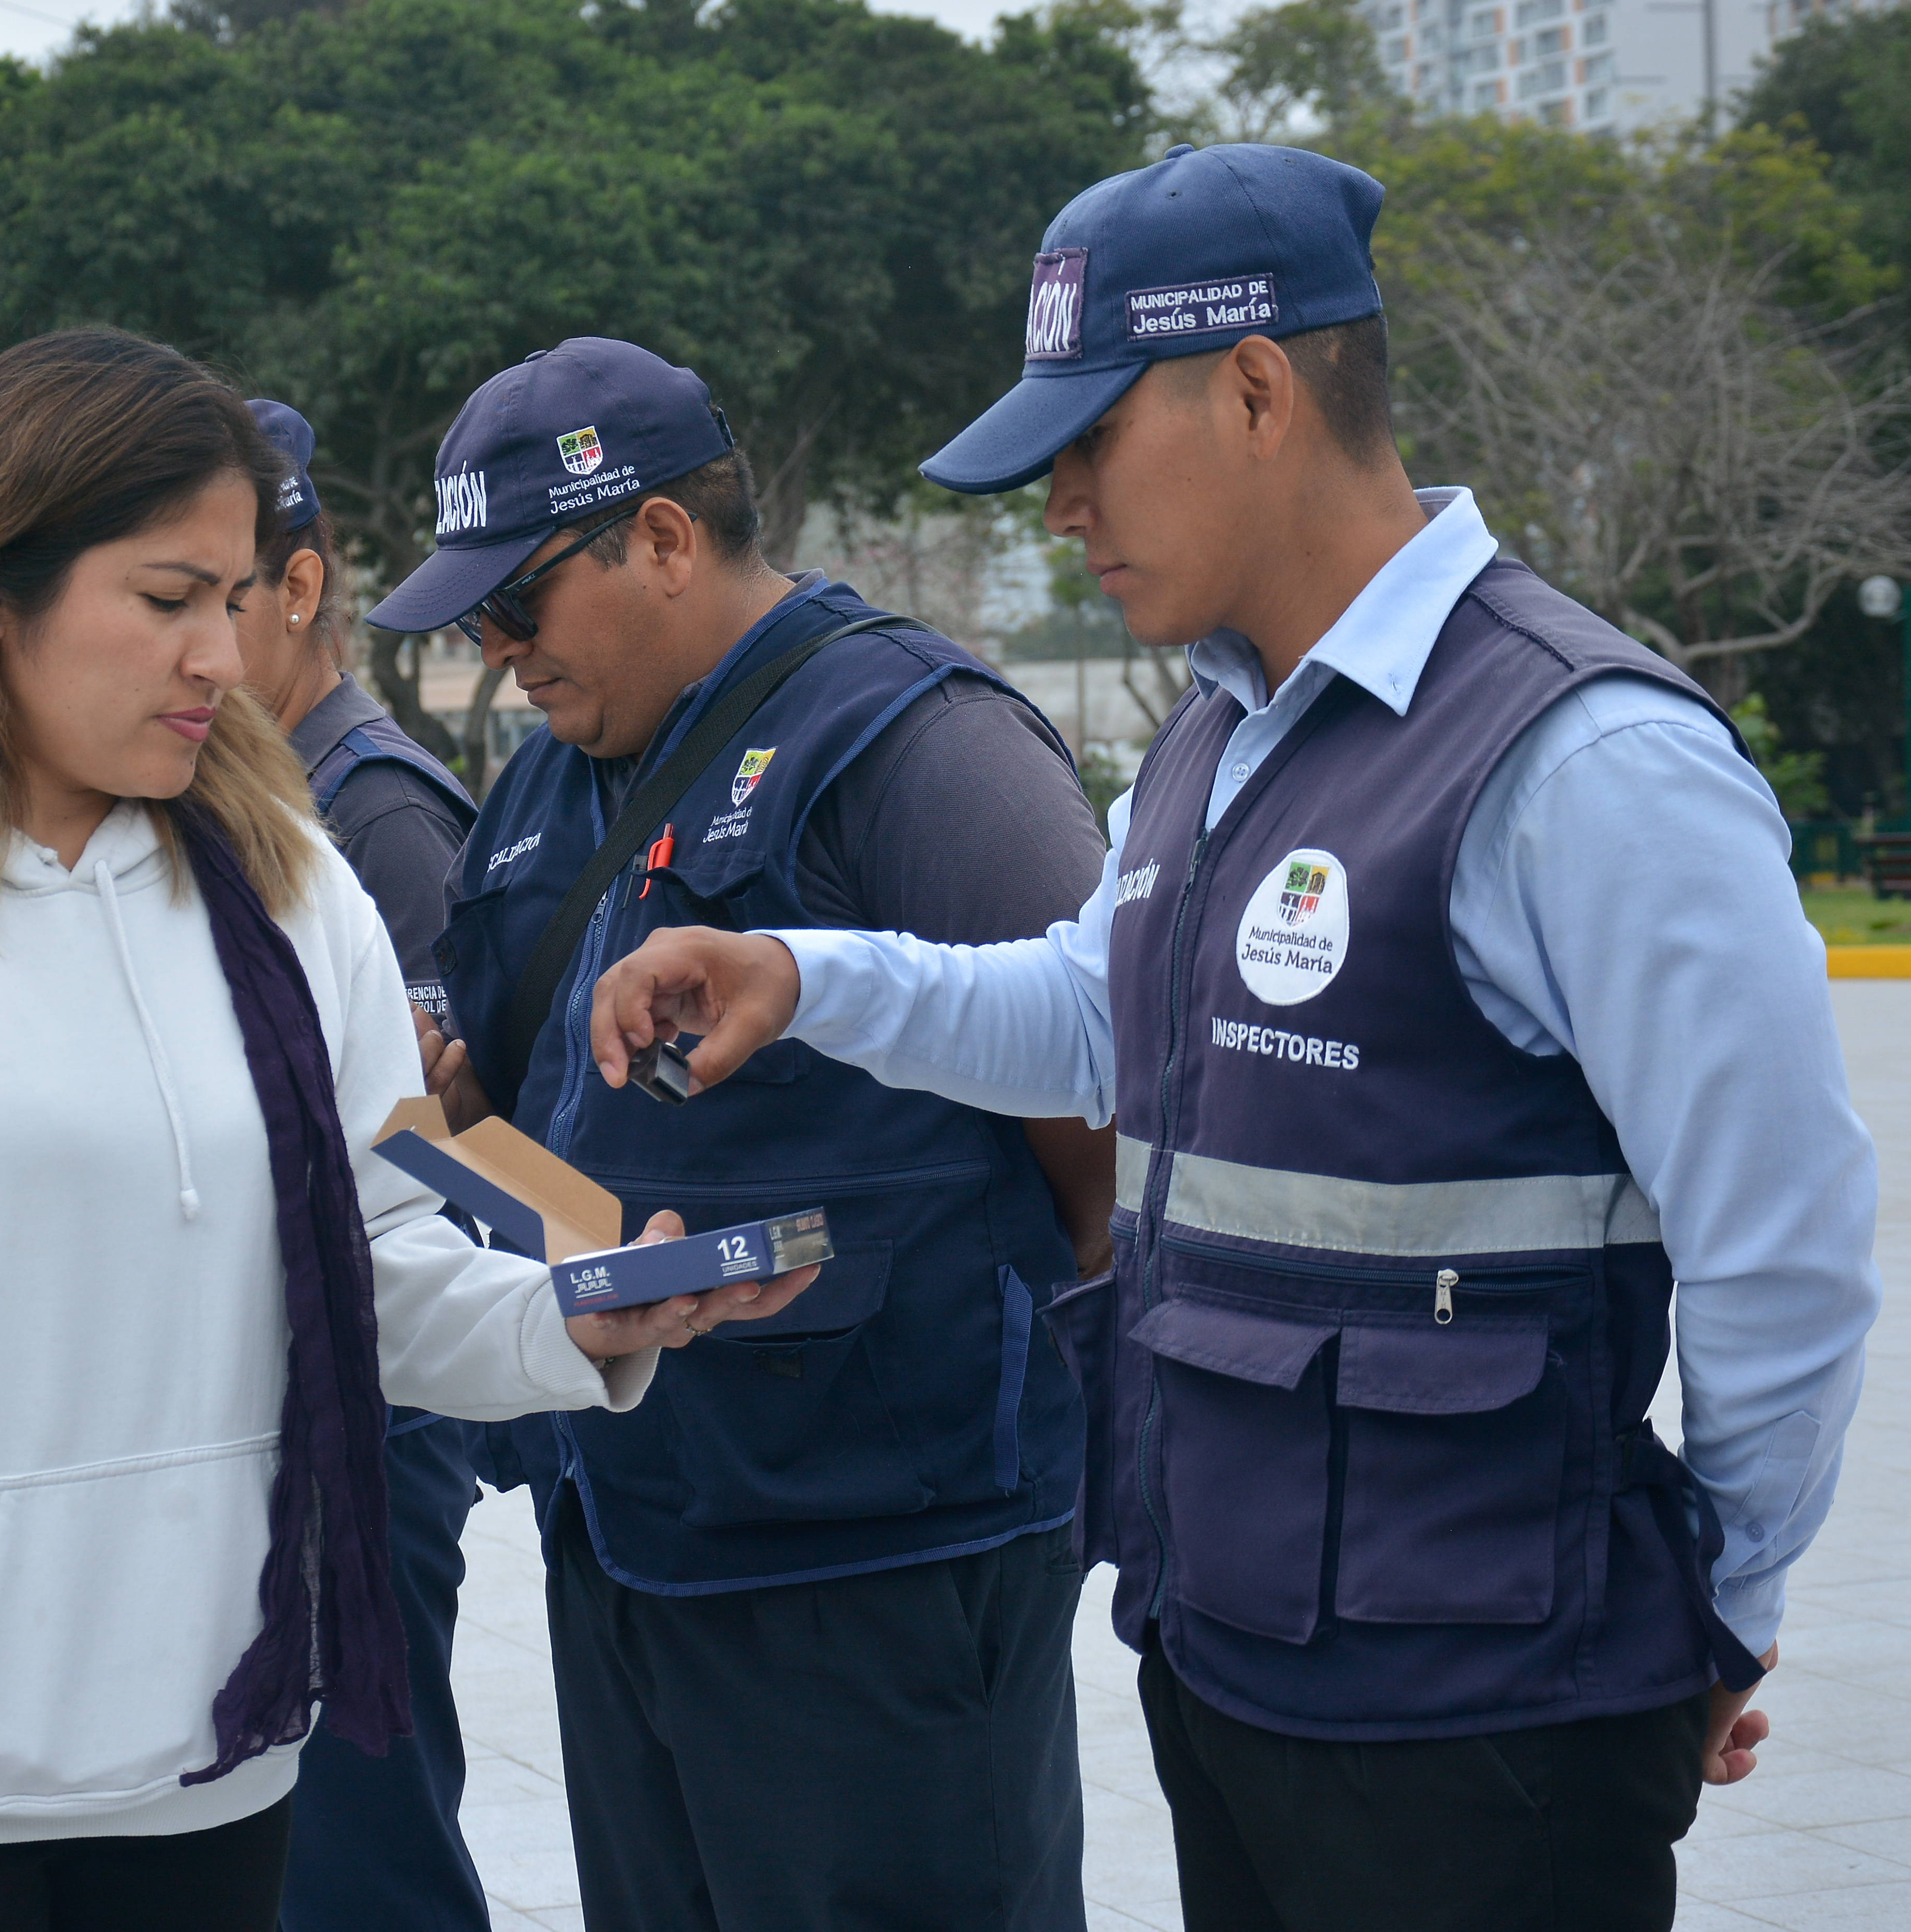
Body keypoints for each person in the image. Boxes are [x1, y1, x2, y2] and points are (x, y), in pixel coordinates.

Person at [584, 144, 1881, 1932]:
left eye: (1084, 445)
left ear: (1255, 389)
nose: (1058, 510)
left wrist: (1713, 1607)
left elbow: (1780, 1240)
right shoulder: (1212, 739)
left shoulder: (1578, 762)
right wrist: (804, 977)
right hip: (1227, 1659)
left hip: (1484, 1720)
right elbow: (1087, 1016)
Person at [0, 328, 818, 1932]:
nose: (221, 660)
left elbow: (378, 1254)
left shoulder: (294, 886)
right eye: (165, 599)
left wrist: (576, 1315)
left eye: (233, 600)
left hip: (222, 1761)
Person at [373, 336, 1116, 1931]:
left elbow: (1106, 1121)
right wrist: (450, 1128)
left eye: (520, 603)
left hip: (879, 1568)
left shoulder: (915, 742)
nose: (500, 653)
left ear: (660, 539)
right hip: (637, 1538)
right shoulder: (544, 790)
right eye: (478, 619)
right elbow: (531, 1141)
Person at [237, 398, 491, 1932]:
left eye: (214, 592)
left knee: (365, 1863)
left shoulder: (375, 819)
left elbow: (462, 1147)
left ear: (303, 585)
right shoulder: (252, 805)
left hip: (374, 1420)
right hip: (270, 1420)